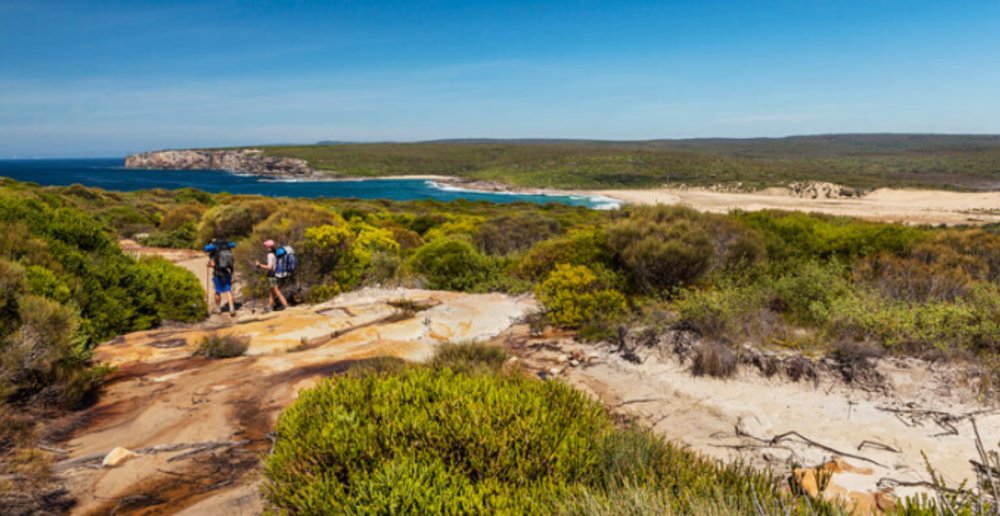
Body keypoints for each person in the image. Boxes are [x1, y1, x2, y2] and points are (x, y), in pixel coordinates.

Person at [256, 239, 288, 311]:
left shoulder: (270, 255)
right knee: (271, 290)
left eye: (266, 246)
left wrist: (259, 265)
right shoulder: (275, 253)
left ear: (269, 247)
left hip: (272, 275)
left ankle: (285, 305)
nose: (265, 247)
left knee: (276, 290)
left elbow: (269, 267)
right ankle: (270, 306)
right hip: (276, 274)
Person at [206, 238, 236, 316]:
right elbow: (233, 261)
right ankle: (232, 308)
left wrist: (208, 265)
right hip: (227, 273)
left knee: (217, 291)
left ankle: (218, 308)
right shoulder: (227, 250)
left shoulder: (214, 253)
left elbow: (213, 264)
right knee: (228, 290)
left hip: (218, 274)